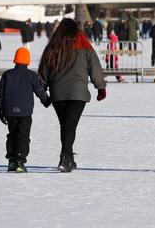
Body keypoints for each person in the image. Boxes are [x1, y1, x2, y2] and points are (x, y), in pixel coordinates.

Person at [37, 18, 106, 173]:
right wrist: (100, 87)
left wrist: (42, 90)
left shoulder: (52, 48)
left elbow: (44, 71)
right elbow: (94, 67)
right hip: (78, 93)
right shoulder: (84, 46)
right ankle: (65, 156)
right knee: (69, 126)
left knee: (67, 126)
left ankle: (69, 158)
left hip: (58, 93)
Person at [0, 47, 51, 172]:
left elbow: (1, 94)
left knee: (12, 134)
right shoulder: (31, 75)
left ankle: (11, 160)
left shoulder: (7, 75)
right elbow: (39, 91)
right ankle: (20, 161)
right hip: (25, 112)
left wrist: (1, 110)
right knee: (23, 136)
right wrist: (47, 101)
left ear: (15, 59)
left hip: (9, 111)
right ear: (27, 60)